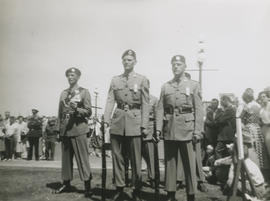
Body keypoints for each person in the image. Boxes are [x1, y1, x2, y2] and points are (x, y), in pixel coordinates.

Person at [156, 55, 204, 201]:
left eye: (178, 64)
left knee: (189, 163)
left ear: (184, 66)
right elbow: (160, 109)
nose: (175, 67)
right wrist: (158, 129)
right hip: (170, 129)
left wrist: (197, 131)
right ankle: (170, 194)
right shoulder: (166, 86)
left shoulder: (193, 85)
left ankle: (191, 195)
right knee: (170, 163)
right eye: (173, 64)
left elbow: (199, 110)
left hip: (188, 129)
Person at [104, 49, 149, 201]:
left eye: (130, 60)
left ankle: (137, 189)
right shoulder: (115, 80)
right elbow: (110, 100)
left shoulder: (142, 79)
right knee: (117, 157)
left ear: (135, 62)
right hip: (117, 122)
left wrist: (144, 125)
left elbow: (145, 104)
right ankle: (120, 188)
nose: (126, 62)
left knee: (136, 159)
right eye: (124, 60)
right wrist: (106, 120)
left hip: (135, 122)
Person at [55, 67, 93, 198]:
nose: (70, 77)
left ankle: (87, 186)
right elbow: (60, 113)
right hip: (65, 130)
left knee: (82, 159)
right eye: (68, 75)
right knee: (66, 160)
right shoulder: (63, 93)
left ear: (78, 77)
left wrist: (77, 109)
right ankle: (66, 183)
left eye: (72, 75)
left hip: (78, 129)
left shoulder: (84, 92)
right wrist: (58, 130)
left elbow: (88, 111)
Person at [241, 88, 267, 169]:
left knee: (250, 150)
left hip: (248, 129)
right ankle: (260, 168)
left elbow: (240, 118)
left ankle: (252, 168)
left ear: (246, 98)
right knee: (259, 149)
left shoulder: (246, 107)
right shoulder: (258, 106)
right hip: (257, 128)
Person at [214, 95, 236, 188]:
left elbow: (220, 120)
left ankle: (223, 178)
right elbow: (217, 120)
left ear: (225, 100)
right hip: (224, 136)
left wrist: (220, 114)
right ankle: (222, 177)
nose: (220, 103)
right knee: (223, 155)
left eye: (221, 101)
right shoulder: (226, 110)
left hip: (227, 137)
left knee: (223, 155)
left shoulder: (231, 110)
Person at [142, 94, 158, 188]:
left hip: (149, 131)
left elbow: (156, 117)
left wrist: (155, 133)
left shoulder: (154, 99)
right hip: (136, 130)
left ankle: (152, 178)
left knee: (150, 157)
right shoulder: (137, 98)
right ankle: (135, 179)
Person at [259, 91, 270, 169]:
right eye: (261, 97)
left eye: (264, 96)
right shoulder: (262, 108)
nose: (262, 98)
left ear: (268, 97)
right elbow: (261, 119)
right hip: (264, 129)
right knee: (266, 152)